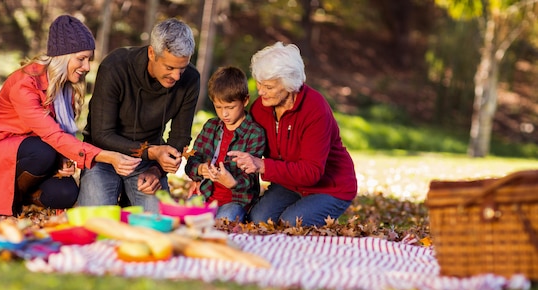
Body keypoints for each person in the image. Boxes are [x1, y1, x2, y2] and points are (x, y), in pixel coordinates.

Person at [0, 15, 140, 216]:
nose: (87, 67)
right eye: (81, 59)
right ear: (62, 56)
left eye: (89, 59)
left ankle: (28, 198)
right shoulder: (25, 84)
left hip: (34, 150)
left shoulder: (65, 87)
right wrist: (107, 156)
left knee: (66, 193)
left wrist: (63, 158)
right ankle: (7, 202)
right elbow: (52, 136)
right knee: (43, 151)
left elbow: (57, 135)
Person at [77, 18, 200, 213]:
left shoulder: (191, 79)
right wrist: (152, 152)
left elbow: (180, 136)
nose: (176, 77)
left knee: (158, 223)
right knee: (95, 221)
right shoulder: (116, 66)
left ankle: (131, 197)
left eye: (182, 69)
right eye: (169, 68)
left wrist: (157, 169)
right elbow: (101, 134)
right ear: (152, 53)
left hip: (146, 165)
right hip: (104, 157)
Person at [228, 42, 357, 227]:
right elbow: (242, 147)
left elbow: (312, 172)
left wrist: (262, 165)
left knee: (290, 223)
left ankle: (321, 210)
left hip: (329, 187)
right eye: (259, 84)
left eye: (269, 87)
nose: (261, 91)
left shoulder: (315, 110)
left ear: (290, 85)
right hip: (288, 183)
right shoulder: (260, 108)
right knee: (258, 221)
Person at [185, 66, 265, 222]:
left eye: (230, 107)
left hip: (236, 200)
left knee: (224, 222)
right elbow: (192, 161)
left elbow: (251, 178)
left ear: (245, 100)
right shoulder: (210, 126)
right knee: (186, 218)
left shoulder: (255, 133)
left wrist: (233, 182)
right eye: (218, 107)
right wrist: (200, 169)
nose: (224, 114)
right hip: (205, 195)